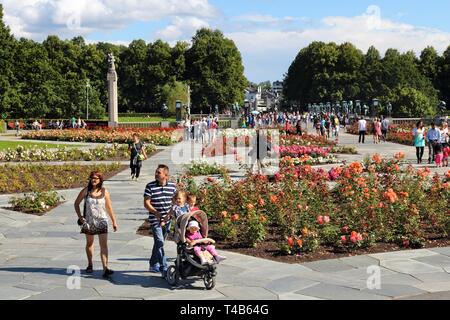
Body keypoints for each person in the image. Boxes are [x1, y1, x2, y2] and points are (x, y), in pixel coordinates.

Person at [74, 171, 118, 278]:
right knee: (90, 243)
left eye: (96, 178)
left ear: (100, 180)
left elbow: (109, 207)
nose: (93, 180)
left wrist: (114, 221)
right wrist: (80, 217)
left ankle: (105, 268)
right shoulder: (86, 191)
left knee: (104, 245)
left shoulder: (104, 192)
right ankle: (90, 264)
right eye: (92, 178)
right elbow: (76, 203)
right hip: (89, 222)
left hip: (102, 221)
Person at [144, 164, 177, 277]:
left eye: (159, 172)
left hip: (167, 219)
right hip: (155, 219)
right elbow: (146, 203)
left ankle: (153, 264)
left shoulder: (172, 187)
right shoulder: (150, 186)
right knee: (159, 242)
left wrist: (169, 214)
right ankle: (164, 267)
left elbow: (175, 202)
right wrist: (155, 213)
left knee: (159, 243)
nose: (156, 174)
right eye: (156, 172)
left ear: (166, 175)